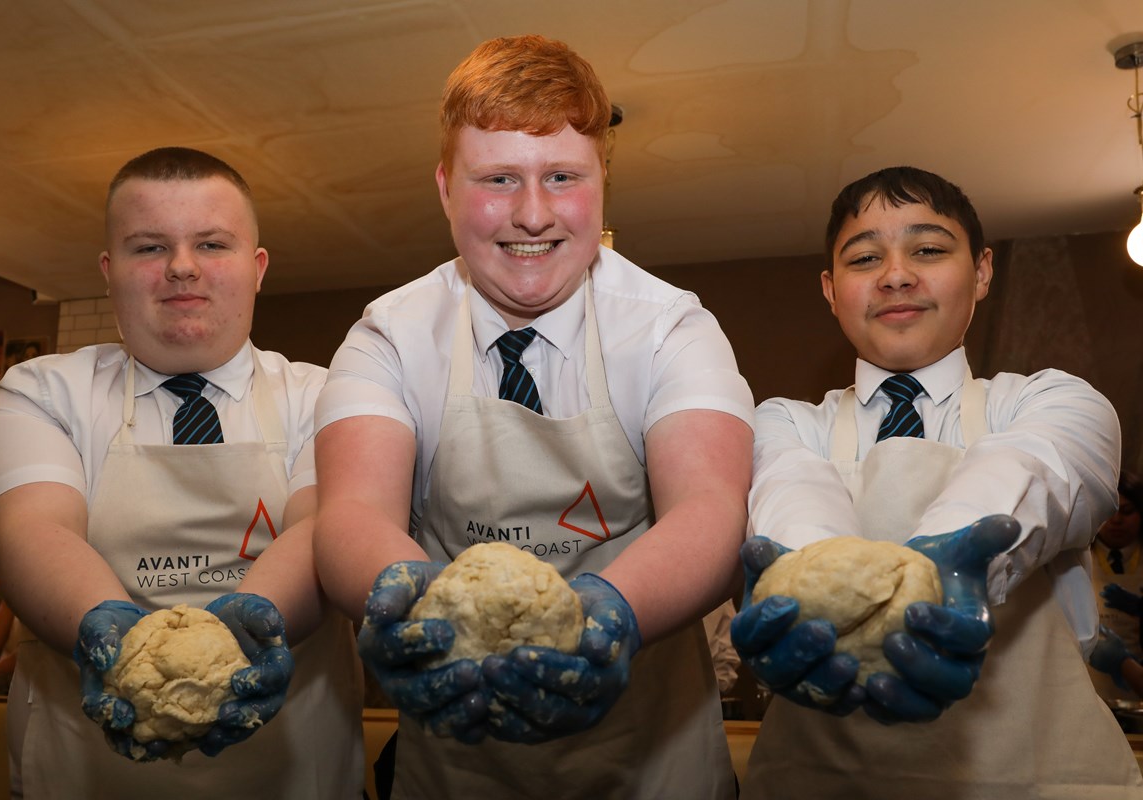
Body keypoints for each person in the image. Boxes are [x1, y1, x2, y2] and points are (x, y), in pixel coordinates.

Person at [313, 34, 754, 800]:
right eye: (498, 179)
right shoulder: (387, 334)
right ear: (446, 187)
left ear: (603, 182)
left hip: (651, 763)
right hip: (458, 761)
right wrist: (422, 609)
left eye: (562, 177)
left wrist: (610, 613)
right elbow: (351, 512)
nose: (532, 214)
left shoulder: (672, 328)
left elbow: (712, 511)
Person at [0, 147, 364, 799]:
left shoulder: (328, 398)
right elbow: (32, 534)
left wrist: (249, 629)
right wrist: (111, 639)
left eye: (212, 244)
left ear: (256, 268)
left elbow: (326, 527)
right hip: (81, 776)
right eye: (149, 248)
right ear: (109, 270)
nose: (182, 267)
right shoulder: (42, 394)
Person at [733, 166, 1142, 798]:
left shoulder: (1055, 402)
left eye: (928, 249)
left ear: (981, 271)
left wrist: (953, 567)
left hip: (1031, 776)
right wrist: (812, 596)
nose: (896, 274)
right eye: (865, 257)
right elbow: (793, 496)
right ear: (830, 289)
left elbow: (1032, 467)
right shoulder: (783, 424)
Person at [1091, 472, 1143, 702]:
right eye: (1110, 511)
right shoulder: (1070, 562)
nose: (1117, 520)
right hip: (1091, 696)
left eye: (1128, 511)